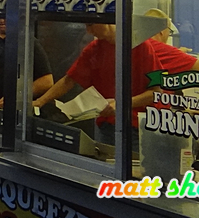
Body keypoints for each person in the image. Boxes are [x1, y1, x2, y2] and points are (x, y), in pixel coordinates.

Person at [33, 24, 161, 145]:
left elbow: (156, 92)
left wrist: (123, 104)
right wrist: (39, 102)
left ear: (106, 20)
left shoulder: (142, 47)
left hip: (134, 128)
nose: (89, 31)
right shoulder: (93, 49)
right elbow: (69, 80)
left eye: (91, 25)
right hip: (104, 127)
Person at [0, 17, 53, 108]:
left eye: (5, 16)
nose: (1, 20)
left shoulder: (28, 42)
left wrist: (16, 96)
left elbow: (47, 81)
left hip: (24, 109)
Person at [143, 9, 199, 75]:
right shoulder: (160, 49)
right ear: (162, 30)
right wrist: (179, 55)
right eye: (169, 30)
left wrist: (178, 54)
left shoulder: (137, 44)